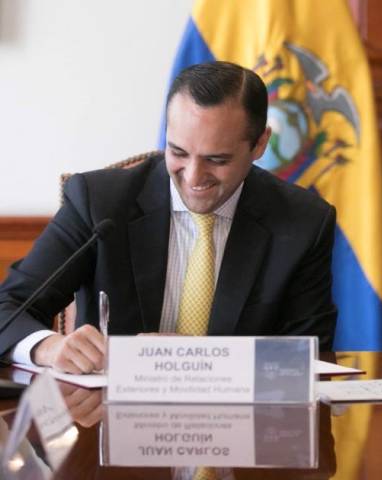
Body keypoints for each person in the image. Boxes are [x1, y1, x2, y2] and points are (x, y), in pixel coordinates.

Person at [0, 61, 337, 373]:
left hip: (243, 425)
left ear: (260, 144)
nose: (193, 177)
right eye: (178, 152)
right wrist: (48, 348)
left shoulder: (303, 222)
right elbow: (8, 307)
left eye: (217, 160)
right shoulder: (99, 202)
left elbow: (309, 355)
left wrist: (194, 361)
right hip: (104, 422)